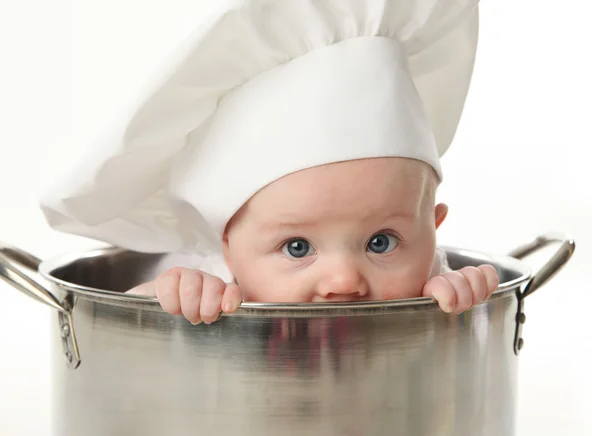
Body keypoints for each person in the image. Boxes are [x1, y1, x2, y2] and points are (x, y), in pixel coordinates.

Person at [40, 0, 498, 325]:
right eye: (297, 247)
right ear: (227, 245)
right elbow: (127, 317)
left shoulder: (428, 278)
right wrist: (170, 298)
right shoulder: (216, 283)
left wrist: (463, 294)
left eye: (382, 242)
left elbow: (454, 300)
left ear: (434, 228)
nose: (343, 281)